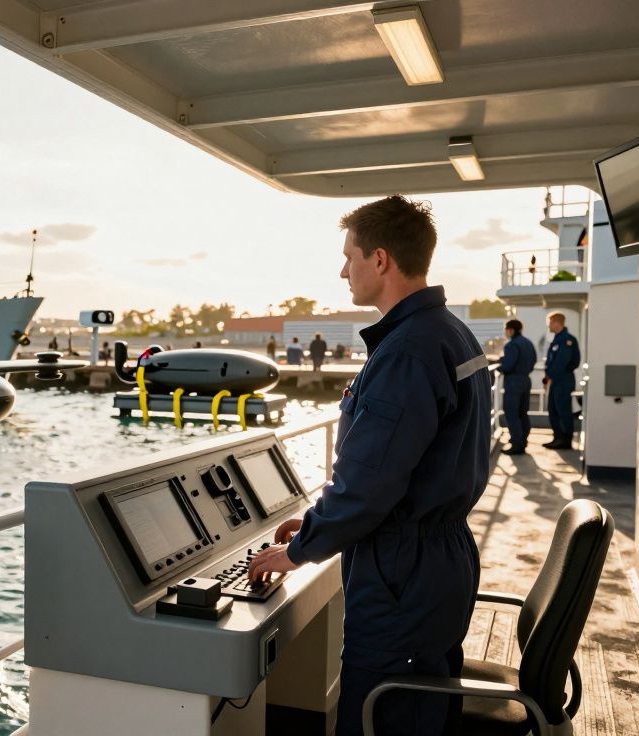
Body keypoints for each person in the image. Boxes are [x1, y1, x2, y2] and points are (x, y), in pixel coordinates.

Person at [248, 195, 490, 736]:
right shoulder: (452, 333)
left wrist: (299, 551)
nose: (343, 270)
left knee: (380, 714)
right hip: (441, 558)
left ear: (380, 260)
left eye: (349, 256)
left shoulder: (406, 352)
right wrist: (314, 524)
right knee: (425, 706)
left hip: (401, 571)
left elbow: (367, 486)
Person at [498, 319, 537, 455]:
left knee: (512, 413)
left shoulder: (511, 345)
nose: (506, 332)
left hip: (513, 382)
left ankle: (517, 444)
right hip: (525, 380)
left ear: (511, 330)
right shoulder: (528, 343)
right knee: (522, 413)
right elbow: (532, 362)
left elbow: (508, 366)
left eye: (506, 329)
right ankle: (523, 440)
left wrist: (500, 367)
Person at [542, 312, 580, 449]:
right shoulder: (557, 339)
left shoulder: (566, 340)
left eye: (550, 323)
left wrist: (550, 375)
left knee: (563, 409)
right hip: (555, 380)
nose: (549, 325)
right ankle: (558, 437)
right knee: (553, 409)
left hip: (563, 380)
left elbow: (563, 363)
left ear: (557, 323)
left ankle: (565, 439)